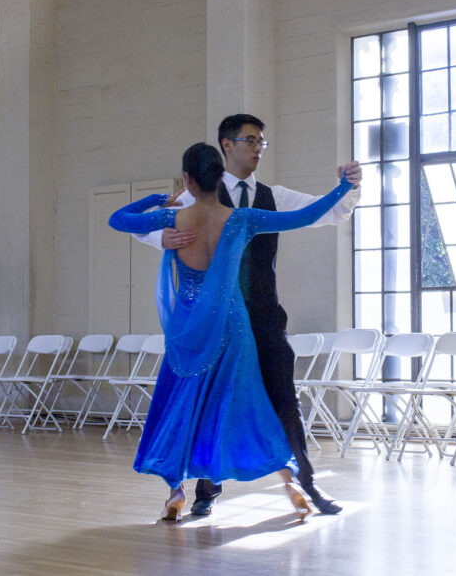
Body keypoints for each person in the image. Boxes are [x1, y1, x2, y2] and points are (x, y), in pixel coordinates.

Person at [108, 142, 354, 521]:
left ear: (188, 179)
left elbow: (118, 219)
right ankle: (288, 481)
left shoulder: (173, 220)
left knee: (184, 406)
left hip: (190, 330)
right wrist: (342, 188)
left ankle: (176, 492)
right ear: (217, 175)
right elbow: (307, 215)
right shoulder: (241, 219)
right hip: (233, 327)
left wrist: (158, 198)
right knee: (248, 405)